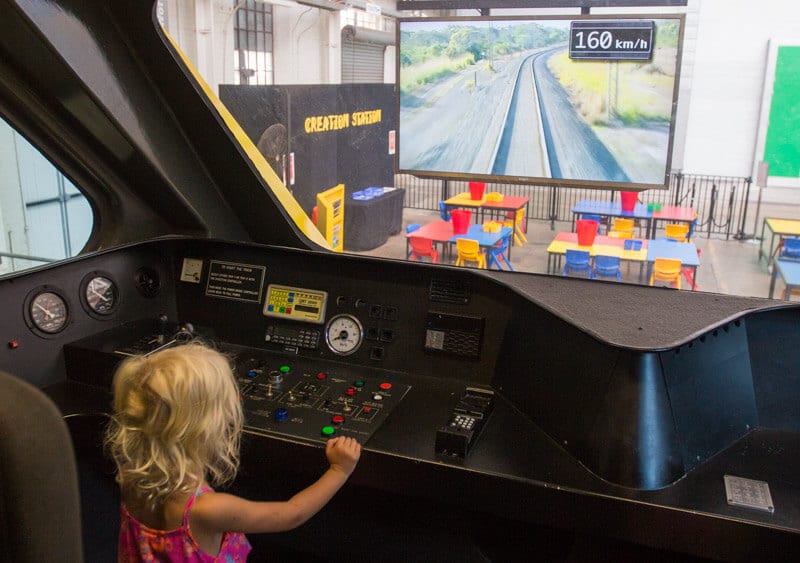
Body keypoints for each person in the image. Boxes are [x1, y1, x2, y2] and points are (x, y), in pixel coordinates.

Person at [104, 342, 361, 561]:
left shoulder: (130, 475)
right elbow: (292, 514)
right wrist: (339, 470)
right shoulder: (209, 510)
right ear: (203, 426)